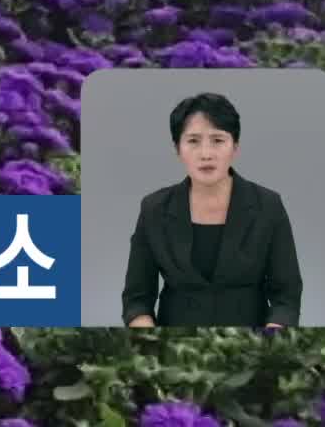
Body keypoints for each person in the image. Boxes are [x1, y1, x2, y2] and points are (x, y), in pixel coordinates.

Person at [120, 92, 304, 329]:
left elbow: (286, 296)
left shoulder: (267, 205)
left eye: (218, 140)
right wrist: (147, 337)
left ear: (235, 147)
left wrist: (273, 337)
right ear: (177, 148)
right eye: (193, 141)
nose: (206, 153)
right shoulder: (154, 208)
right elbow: (137, 299)